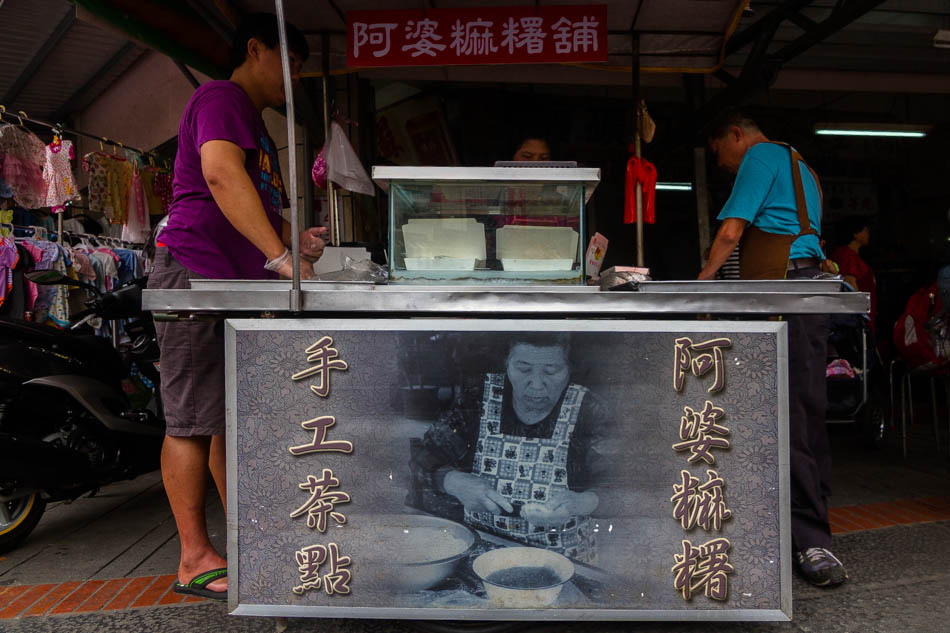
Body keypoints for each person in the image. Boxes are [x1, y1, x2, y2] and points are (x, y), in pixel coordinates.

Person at [146, 14, 325, 601]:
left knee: (222, 415)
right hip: (195, 276)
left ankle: (243, 533)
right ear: (255, 48)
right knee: (193, 419)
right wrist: (278, 257)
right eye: (291, 64)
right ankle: (193, 557)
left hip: (224, 281)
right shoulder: (220, 96)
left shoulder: (255, 122)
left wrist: (290, 237)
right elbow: (220, 176)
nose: (295, 78)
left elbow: (246, 197)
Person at [698, 110, 848, 587]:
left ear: (735, 135)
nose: (724, 166)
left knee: (787, 417)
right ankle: (804, 527)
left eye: (721, 153)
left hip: (783, 295)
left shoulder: (760, 155)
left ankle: (811, 540)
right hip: (804, 292)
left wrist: (699, 286)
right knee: (803, 412)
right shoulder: (800, 164)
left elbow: (730, 231)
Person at [409, 333, 615, 564]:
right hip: (483, 552)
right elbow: (422, 457)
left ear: (569, 369)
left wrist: (580, 503)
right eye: (524, 369)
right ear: (506, 364)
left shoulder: (589, 410)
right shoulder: (478, 399)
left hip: (564, 562)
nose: (536, 384)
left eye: (551, 371)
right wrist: (453, 481)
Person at [830, 218, 877, 334]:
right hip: (856, 319)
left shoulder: (850, 254)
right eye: (865, 230)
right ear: (856, 234)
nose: (868, 234)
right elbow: (850, 284)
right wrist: (860, 315)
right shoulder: (847, 255)